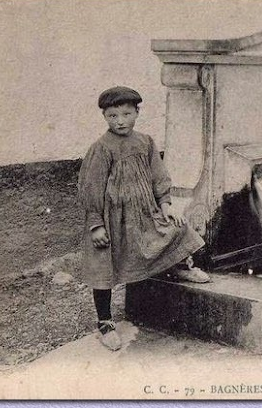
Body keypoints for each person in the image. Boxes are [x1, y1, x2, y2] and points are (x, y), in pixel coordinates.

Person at [78, 86, 211, 351]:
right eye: (112, 116)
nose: (120, 121)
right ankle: (105, 322)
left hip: (145, 213)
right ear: (104, 116)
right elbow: (90, 188)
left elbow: (159, 177)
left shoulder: (145, 142)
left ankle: (179, 266)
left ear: (137, 113)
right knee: (104, 266)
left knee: (177, 228)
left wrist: (166, 205)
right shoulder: (101, 149)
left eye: (126, 114)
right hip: (113, 220)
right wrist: (96, 225)